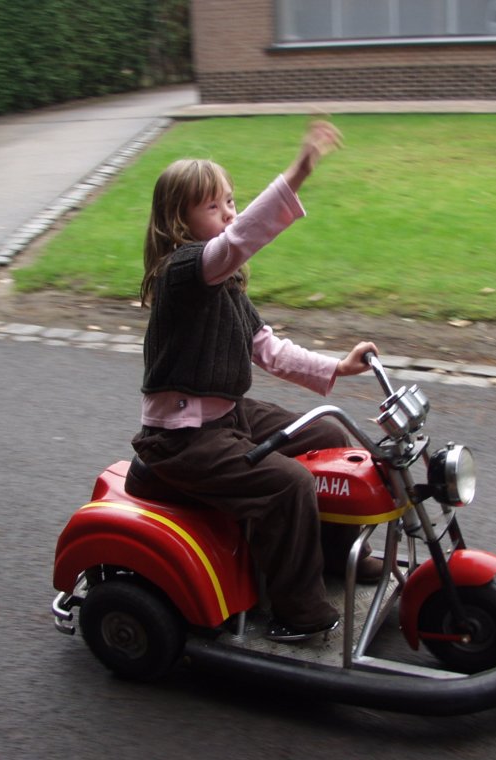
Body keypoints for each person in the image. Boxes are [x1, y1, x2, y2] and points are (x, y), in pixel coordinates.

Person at [131, 120, 381, 642]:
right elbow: (240, 240)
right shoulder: (183, 272)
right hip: (181, 439)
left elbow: (269, 350)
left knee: (328, 435)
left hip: (228, 416)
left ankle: (337, 555)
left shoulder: (224, 288)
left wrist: (337, 367)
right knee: (287, 484)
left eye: (231, 200)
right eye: (213, 206)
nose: (229, 213)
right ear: (179, 222)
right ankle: (299, 613)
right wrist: (298, 172)